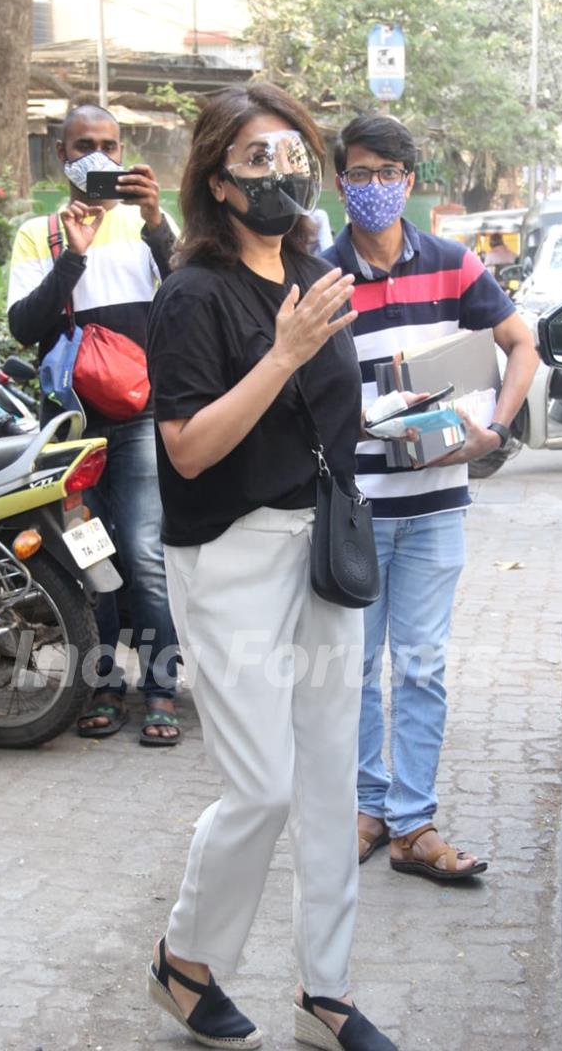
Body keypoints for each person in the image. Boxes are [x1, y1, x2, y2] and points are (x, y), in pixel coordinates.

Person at [145, 83, 398, 1051]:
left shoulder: (313, 269)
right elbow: (192, 449)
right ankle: (185, 958)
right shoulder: (191, 296)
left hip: (321, 550)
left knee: (332, 780)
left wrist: (420, 427)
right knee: (264, 787)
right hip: (231, 557)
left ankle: (324, 992)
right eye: (259, 158)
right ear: (218, 178)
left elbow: (333, 414)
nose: (282, 173)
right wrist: (287, 352)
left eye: (294, 155)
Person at [322, 115, 538, 881]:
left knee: (421, 666)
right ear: (337, 181)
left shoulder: (452, 264)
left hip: (437, 508)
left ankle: (414, 823)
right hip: (357, 513)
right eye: (358, 173)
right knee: (354, 668)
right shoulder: (320, 276)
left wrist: (497, 428)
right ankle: (366, 807)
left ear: (410, 181)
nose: (373, 187)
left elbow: (522, 344)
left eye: (388, 173)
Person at [7, 103, 181, 747]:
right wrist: (71, 259)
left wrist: (159, 222)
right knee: (91, 560)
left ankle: (160, 686)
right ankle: (104, 685)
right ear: (61, 154)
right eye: (84, 144)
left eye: (109, 144)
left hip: (139, 419)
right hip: (71, 430)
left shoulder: (146, 224)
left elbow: (190, 288)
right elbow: (24, 327)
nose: (98, 155)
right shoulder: (39, 233)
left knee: (142, 554)